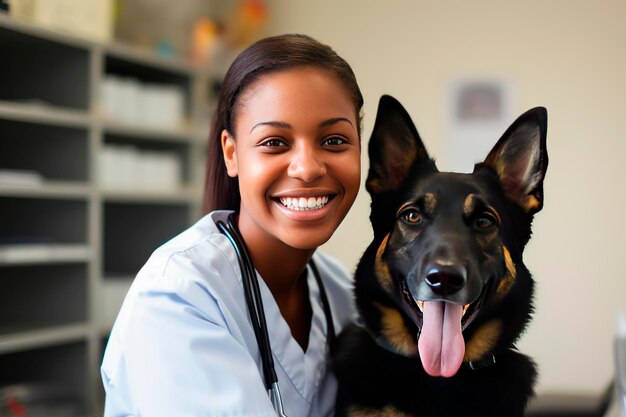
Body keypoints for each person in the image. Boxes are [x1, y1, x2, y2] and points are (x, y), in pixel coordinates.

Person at [101, 33, 364, 417]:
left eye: (334, 139)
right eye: (275, 142)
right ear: (232, 154)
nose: (308, 168)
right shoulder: (178, 295)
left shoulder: (341, 293)